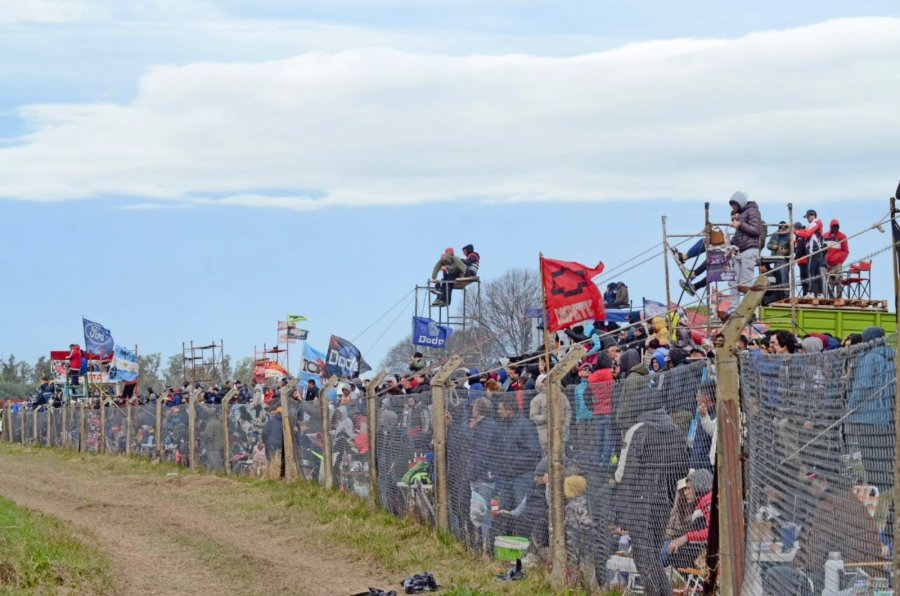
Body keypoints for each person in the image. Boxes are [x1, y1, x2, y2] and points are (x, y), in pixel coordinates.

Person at [493, 394, 541, 511]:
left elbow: (534, 451)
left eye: (501, 409)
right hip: (506, 474)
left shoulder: (525, 425)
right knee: (505, 509)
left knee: (521, 509)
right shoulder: (503, 425)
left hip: (522, 475)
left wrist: (512, 462)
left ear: (509, 409)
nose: (499, 412)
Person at [660, 469, 713, 569]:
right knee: (663, 549)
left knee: (664, 551)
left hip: (699, 551)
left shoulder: (707, 500)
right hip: (695, 548)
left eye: (688, 488)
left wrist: (686, 537)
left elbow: (711, 532)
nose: (685, 493)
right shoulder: (703, 500)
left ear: (699, 486)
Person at [467, 397, 498, 554]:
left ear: (478, 410)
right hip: (478, 475)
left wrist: (475, 471)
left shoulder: (487, 427)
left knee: (484, 513)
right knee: (477, 512)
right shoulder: (480, 426)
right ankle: (479, 543)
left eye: (473, 408)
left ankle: (486, 545)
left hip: (484, 477)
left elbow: (482, 452)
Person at [728, 191, 763, 306]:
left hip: (749, 250)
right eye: (732, 205)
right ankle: (734, 308)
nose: (733, 207)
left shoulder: (752, 211)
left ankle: (746, 308)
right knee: (733, 281)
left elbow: (756, 230)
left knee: (745, 283)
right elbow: (740, 235)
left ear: (740, 202)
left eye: (735, 205)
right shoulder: (740, 214)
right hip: (738, 250)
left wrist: (740, 225)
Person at [529, 373, 571, 454]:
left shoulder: (562, 396)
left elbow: (568, 410)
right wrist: (546, 417)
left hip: (561, 432)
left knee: (562, 456)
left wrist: (566, 424)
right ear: (540, 383)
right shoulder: (537, 400)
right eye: (544, 380)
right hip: (545, 434)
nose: (547, 382)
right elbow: (533, 416)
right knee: (547, 458)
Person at [795, 209, 825, 297]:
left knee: (810, 270)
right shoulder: (814, 224)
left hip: (813, 249)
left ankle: (811, 292)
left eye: (807, 216)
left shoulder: (815, 223)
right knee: (817, 272)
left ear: (812, 215)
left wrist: (795, 231)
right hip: (816, 250)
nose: (807, 219)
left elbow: (807, 234)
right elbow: (806, 233)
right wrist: (799, 232)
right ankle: (820, 293)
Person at [823, 219, 849, 298]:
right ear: (831, 227)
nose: (835, 228)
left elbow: (846, 251)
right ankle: (831, 299)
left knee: (839, 282)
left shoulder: (842, 236)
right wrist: (824, 262)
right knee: (829, 283)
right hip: (827, 264)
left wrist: (840, 261)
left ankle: (839, 299)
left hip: (837, 265)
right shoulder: (825, 236)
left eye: (836, 226)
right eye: (833, 226)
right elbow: (822, 251)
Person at [793, 221, 810, 296]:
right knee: (805, 277)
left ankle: (805, 293)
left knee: (804, 278)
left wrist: (795, 259)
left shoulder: (800, 235)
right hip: (804, 260)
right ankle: (806, 293)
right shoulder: (803, 234)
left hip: (803, 260)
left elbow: (800, 249)